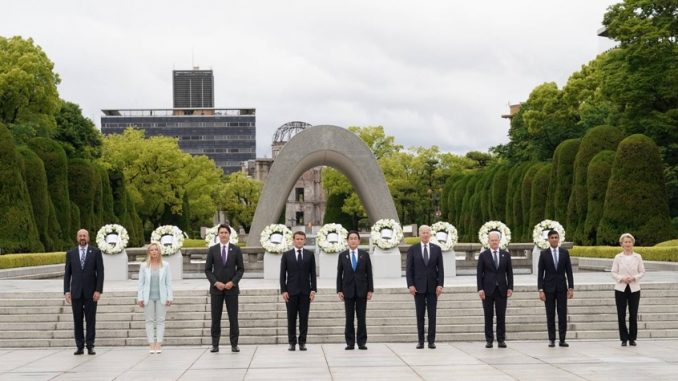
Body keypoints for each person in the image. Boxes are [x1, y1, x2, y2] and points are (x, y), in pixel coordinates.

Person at [63, 229, 104, 355]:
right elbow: (67, 274)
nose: (82, 238)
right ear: (77, 238)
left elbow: (100, 273)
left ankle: (90, 345)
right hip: (76, 292)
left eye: (84, 236)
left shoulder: (95, 252)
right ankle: (79, 346)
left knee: (90, 320)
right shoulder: (71, 253)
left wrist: (98, 290)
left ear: (88, 238)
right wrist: (66, 291)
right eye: (80, 236)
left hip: (91, 293)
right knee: (77, 320)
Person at [205, 224, 244, 353]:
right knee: (215, 318)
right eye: (221, 233)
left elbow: (241, 269)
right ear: (218, 235)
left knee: (233, 318)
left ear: (229, 234)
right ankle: (215, 344)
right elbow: (207, 270)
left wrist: (233, 282)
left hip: (231, 289)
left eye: (225, 232)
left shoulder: (236, 249)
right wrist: (215, 283)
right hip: (216, 290)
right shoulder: (212, 250)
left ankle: (234, 344)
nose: (223, 235)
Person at [406, 225, 444, 349]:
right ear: (419, 234)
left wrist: (440, 285)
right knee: (420, 315)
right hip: (418, 288)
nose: (425, 235)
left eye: (427, 232)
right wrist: (410, 285)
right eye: (423, 232)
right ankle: (421, 341)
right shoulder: (413, 249)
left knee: (432, 316)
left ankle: (431, 341)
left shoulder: (437, 249)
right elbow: (409, 269)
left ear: (430, 234)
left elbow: (441, 270)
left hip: (433, 288)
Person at [280, 231, 317, 351]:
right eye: (297, 239)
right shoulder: (286, 255)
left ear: (304, 240)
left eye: (301, 239)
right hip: (291, 292)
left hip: (305, 292)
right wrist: (283, 290)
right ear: (293, 240)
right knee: (291, 318)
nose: (299, 241)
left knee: (304, 318)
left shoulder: (309, 255)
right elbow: (282, 274)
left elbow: (313, 273)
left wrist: (313, 290)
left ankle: (302, 342)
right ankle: (292, 342)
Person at [337, 230, 374, 350]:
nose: (353, 240)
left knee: (361, 317)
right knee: (349, 318)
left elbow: (369, 273)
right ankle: (350, 342)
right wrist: (339, 290)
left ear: (359, 241)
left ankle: (362, 342)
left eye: (355, 238)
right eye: (351, 238)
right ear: (347, 241)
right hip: (347, 291)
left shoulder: (364, 254)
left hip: (362, 291)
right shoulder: (342, 255)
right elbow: (339, 274)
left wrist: (370, 290)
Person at [477, 231, 514, 348]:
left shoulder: (505, 255)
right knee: (488, 315)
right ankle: (489, 340)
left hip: (502, 290)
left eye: (496, 240)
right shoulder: (484, 255)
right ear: (488, 241)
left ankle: (501, 339)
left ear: (499, 241)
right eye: (492, 240)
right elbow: (479, 274)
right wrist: (480, 289)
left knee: (501, 315)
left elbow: (510, 273)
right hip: (487, 290)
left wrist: (510, 287)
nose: (494, 242)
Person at [538, 229, 574, 347]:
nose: (554, 239)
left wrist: (571, 287)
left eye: (556, 237)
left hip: (561, 288)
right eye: (552, 237)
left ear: (559, 239)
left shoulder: (564, 253)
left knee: (562, 314)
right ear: (548, 240)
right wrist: (540, 290)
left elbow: (569, 271)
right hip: (548, 288)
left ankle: (562, 339)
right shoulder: (543, 254)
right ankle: (552, 339)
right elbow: (540, 273)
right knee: (550, 314)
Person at [137, 242, 174, 354]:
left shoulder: (165, 265)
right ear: (149, 252)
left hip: (161, 297)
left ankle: (158, 344)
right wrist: (140, 297)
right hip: (147, 297)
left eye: (156, 250)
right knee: (149, 321)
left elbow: (168, 283)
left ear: (159, 252)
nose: (154, 252)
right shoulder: (144, 266)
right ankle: (151, 344)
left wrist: (170, 297)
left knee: (160, 321)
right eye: (152, 250)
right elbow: (141, 284)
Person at [611, 233, 646, 347]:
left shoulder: (638, 257)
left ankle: (632, 338)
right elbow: (613, 272)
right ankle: (623, 338)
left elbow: (642, 272)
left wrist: (634, 278)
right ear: (621, 244)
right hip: (621, 288)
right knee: (621, 314)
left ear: (633, 243)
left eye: (629, 242)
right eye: (625, 242)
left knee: (633, 314)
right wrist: (622, 278)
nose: (628, 244)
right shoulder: (618, 257)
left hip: (634, 288)